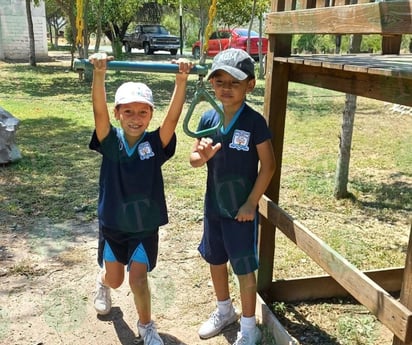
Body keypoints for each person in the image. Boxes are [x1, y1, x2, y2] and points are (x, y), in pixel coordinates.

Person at [89, 52, 193, 345]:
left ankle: (146, 326)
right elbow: (98, 113)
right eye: (128, 112)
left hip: (144, 226)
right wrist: (99, 74)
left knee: (137, 279)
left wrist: (181, 79)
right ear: (118, 113)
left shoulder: (154, 144)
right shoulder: (110, 142)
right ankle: (102, 283)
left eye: (143, 112)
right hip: (113, 225)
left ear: (150, 114)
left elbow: (173, 117)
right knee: (116, 279)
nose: (136, 119)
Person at [189, 48, 276, 345]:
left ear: (250, 85)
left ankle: (250, 327)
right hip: (214, 206)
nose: (225, 88)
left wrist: (251, 202)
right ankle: (225, 310)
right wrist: (201, 157)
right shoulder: (208, 117)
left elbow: (269, 165)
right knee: (215, 259)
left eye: (234, 82)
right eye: (219, 81)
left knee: (243, 267)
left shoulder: (254, 123)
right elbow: (195, 159)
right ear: (212, 83)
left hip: (241, 210)